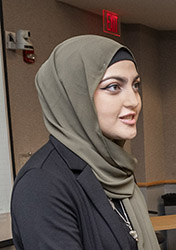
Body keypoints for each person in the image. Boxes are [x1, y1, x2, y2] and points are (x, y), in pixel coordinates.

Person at [10, 35, 159, 249]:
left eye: (135, 85)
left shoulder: (115, 168)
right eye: (113, 87)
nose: (134, 101)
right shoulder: (42, 184)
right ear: (74, 96)